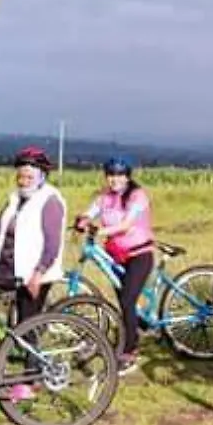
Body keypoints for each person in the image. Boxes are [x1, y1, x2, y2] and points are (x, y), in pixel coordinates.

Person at [77, 156, 155, 375]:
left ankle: (130, 351)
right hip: (117, 255)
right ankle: (138, 325)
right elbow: (90, 212)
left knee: (128, 300)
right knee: (124, 301)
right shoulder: (105, 198)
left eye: (119, 175)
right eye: (111, 175)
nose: (114, 179)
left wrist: (98, 231)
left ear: (127, 176)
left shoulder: (137, 196)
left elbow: (126, 224)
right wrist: (82, 219)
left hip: (139, 254)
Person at [0, 145, 67, 326]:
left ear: (42, 177)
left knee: (27, 326)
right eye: (20, 177)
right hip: (8, 266)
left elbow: (53, 244)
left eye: (30, 177)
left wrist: (38, 274)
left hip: (34, 272)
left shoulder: (50, 201)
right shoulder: (15, 198)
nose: (23, 181)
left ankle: (28, 352)